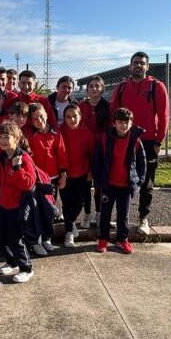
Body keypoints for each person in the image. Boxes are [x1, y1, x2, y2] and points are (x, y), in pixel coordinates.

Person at [109, 52, 170, 235]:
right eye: (135, 63)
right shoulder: (121, 87)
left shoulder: (156, 86)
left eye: (142, 63)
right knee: (120, 178)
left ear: (147, 66)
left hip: (148, 141)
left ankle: (143, 218)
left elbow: (164, 115)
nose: (138, 65)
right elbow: (113, 110)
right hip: (124, 139)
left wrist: (159, 140)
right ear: (130, 66)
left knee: (146, 181)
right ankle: (120, 217)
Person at [0, 122, 36, 283]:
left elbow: (28, 184)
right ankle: (11, 261)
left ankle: (26, 268)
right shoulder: (1, 158)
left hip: (17, 205)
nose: (2, 140)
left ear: (17, 138)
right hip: (3, 204)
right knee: (1, 236)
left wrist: (17, 168)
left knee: (16, 239)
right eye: (0, 137)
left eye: (6, 137)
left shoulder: (23, 158)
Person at [92, 108, 145, 254]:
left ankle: (122, 239)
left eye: (126, 122)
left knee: (123, 215)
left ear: (131, 123)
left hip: (125, 186)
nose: (123, 125)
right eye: (120, 122)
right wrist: (99, 180)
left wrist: (138, 181)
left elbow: (142, 163)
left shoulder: (136, 141)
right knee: (105, 214)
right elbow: (97, 161)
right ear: (114, 123)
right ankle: (103, 239)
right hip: (108, 185)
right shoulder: (104, 139)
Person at [23, 103, 68, 255]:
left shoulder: (56, 133)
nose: (39, 120)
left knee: (49, 208)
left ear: (47, 116)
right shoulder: (29, 135)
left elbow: (61, 154)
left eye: (41, 117)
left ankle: (47, 237)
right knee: (36, 210)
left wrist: (63, 174)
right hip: (36, 180)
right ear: (31, 120)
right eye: (35, 119)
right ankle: (37, 239)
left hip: (52, 178)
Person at [58, 104, 94, 247]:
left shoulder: (87, 133)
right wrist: (62, 172)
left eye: (75, 116)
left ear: (80, 116)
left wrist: (90, 172)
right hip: (65, 174)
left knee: (79, 203)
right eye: (68, 117)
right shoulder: (60, 132)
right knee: (67, 204)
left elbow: (91, 154)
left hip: (81, 174)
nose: (72, 119)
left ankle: (71, 222)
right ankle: (69, 233)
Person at [78, 75, 111, 228]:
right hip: (84, 151)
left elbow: (110, 129)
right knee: (85, 185)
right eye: (91, 86)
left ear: (102, 88)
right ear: (87, 88)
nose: (94, 88)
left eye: (97, 86)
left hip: (101, 151)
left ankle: (99, 213)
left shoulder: (108, 106)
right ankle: (86, 215)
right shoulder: (81, 106)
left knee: (100, 185)